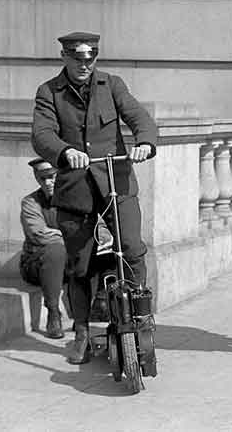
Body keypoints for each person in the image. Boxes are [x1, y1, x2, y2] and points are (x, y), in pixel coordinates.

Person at [31, 31, 157, 364]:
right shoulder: (49, 92)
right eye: (77, 59)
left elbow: (138, 116)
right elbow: (41, 134)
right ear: (64, 57)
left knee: (131, 248)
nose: (84, 65)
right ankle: (82, 332)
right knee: (80, 265)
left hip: (116, 181)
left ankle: (141, 319)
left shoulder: (112, 85)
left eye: (90, 58)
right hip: (76, 188)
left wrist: (144, 142)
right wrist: (64, 151)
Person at [19, 158, 67, 339]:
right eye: (42, 178)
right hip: (35, 264)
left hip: (66, 262)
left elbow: (98, 229)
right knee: (55, 250)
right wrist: (70, 237)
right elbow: (39, 234)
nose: (47, 183)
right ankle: (53, 313)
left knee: (110, 248)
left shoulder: (75, 199)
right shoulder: (31, 202)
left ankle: (100, 303)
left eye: (52, 177)